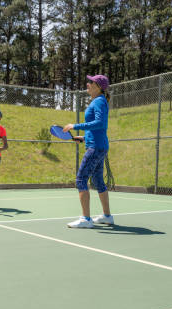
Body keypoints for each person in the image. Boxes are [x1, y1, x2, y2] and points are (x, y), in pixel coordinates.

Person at [62, 74, 113, 228]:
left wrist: (75, 126)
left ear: (98, 86)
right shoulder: (99, 101)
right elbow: (98, 127)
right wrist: (84, 138)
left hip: (96, 147)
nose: (87, 84)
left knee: (81, 180)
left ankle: (86, 219)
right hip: (97, 145)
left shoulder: (98, 101)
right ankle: (107, 216)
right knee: (98, 181)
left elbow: (99, 123)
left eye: (91, 82)